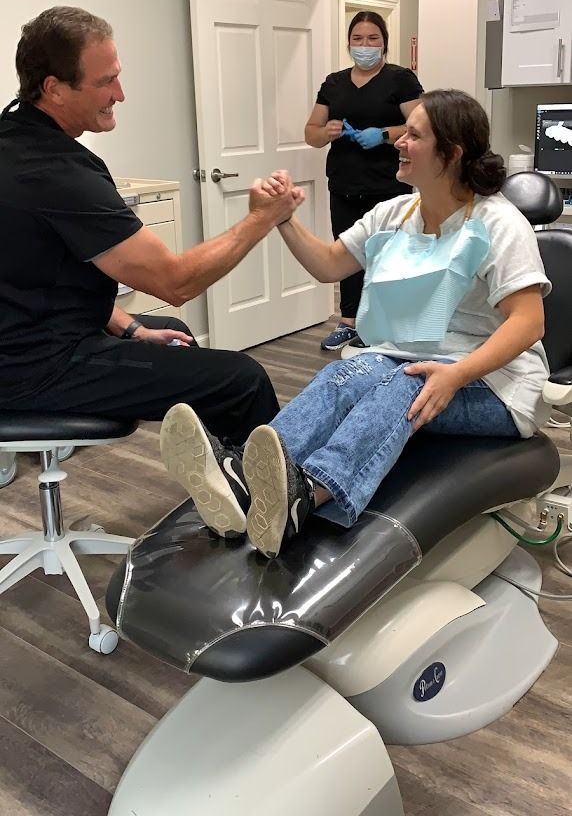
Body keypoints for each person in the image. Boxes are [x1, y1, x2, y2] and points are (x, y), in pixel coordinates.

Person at [159, 90, 551, 557]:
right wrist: (283, 219)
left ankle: (307, 495)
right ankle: (242, 481)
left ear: (451, 153)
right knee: (347, 372)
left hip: (494, 382)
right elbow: (328, 264)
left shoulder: (499, 223)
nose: (399, 142)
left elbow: (528, 323)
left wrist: (457, 373)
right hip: (407, 360)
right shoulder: (395, 213)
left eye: (414, 135)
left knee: (401, 385)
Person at [0, 6, 298, 446]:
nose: (120, 94)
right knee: (241, 380)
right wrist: (261, 218)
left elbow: (49, 281)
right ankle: (277, 505)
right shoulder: (57, 173)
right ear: (54, 89)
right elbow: (176, 281)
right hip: (36, 367)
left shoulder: (14, 139)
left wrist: (132, 329)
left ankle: (229, 477)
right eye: (105, 82)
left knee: (178, 336)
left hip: (26, 334)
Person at [304, 10, 423, 351]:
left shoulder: (401, 80)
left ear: (384, 42)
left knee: (388, 255)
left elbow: (422, 125)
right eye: (358, 38)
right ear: (348, 43)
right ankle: (349, 321)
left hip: (388, 185)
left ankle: (387, 326)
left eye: (373, 38)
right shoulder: (334, 83)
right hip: (343, 183)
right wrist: (325, 132)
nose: (365, 45)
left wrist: (385, 134)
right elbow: (311, 132)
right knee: (347, 252)